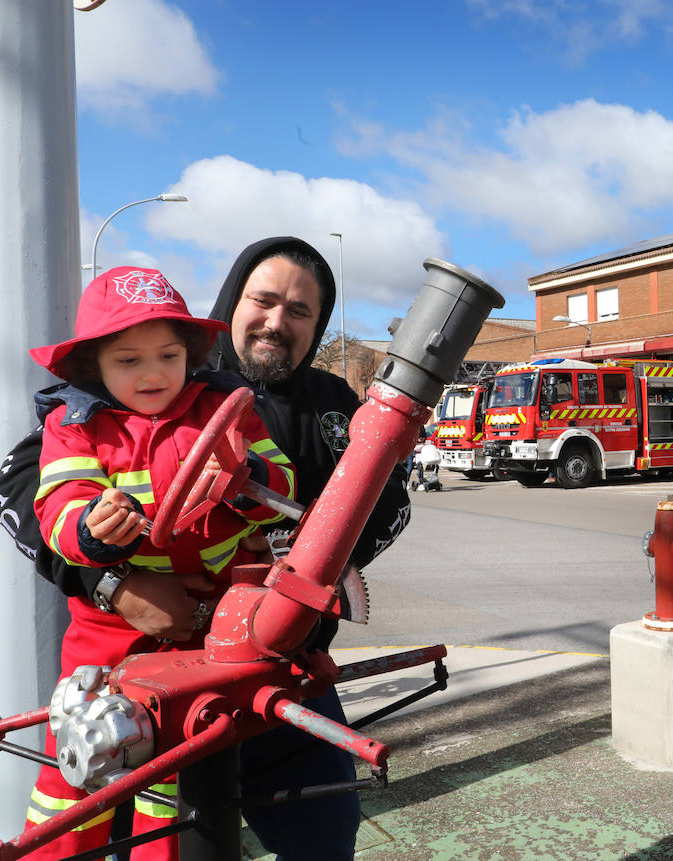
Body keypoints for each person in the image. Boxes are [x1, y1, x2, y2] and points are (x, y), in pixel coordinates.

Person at [22, 267, 297, 859]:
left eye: (168, 355)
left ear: (190, 354)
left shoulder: (227, 408)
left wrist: (245, 479)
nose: (152, 374)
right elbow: (57, 508)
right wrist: (91, 532)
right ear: (93, 366)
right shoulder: (73, 426)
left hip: (208, 626)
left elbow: (284, 485)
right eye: (128, 361)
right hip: (107, 633)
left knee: (175, 778)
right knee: (77, 757)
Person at [206, 237, 414, 858]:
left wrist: (326, 565)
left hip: (291, 677)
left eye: (299, 311)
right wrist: (112, 584)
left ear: (317, 325)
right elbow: (26, 480)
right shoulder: (166, 379)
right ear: (231, 301)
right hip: (178, 680)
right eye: (263, 301)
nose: (277, 321)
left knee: (324, 837)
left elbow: (394, 502)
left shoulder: (335, 404)